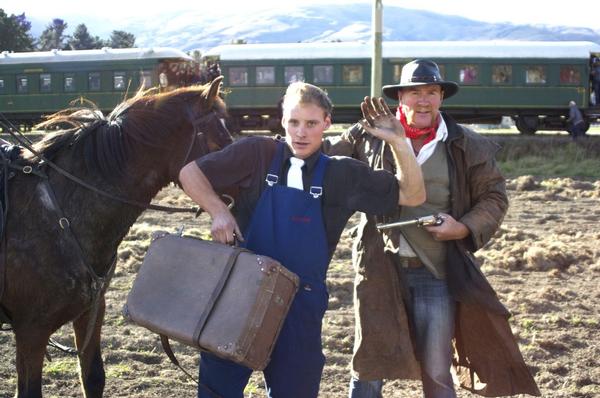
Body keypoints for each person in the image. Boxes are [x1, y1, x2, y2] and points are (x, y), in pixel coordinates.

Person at [178, 81, 426, 398]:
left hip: (299, 307)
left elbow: (413, 195)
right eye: (294, 122)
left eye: (311, 123)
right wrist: (218, 212)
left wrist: (399, 141)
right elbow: (190, 173)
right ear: (283, 120)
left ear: (326, 123)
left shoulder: (342, 174)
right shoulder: (256, 152)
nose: (301, 132)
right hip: (238, 299)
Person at [327, 59, 540, 398]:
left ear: (441, 97)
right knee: (368, 366)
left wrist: (463, 227)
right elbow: (323, 159)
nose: (423, 100)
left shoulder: (466, 144)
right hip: (378, 267)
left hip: (435, 270)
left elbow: (494, 197)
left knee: (438, 370)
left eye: (431, 92)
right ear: (401, 98)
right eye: (415, 92)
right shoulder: (367, 134)